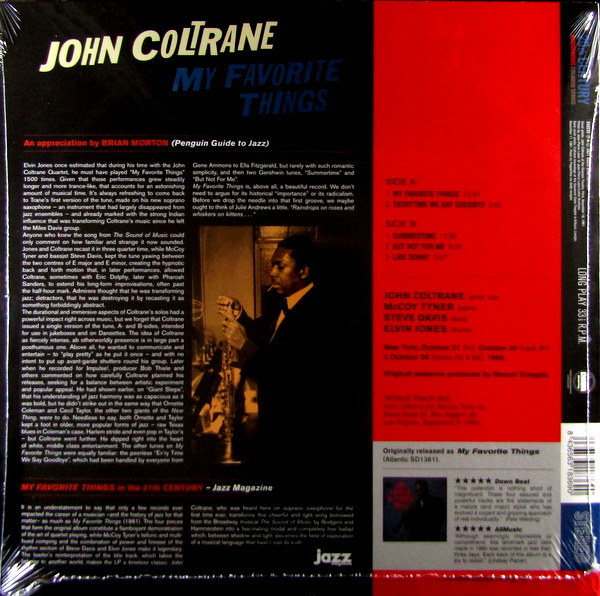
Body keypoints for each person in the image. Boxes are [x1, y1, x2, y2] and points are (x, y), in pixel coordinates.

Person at [218, 235, 355, 481]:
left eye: (280, 266)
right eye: (272, 265)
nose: (271, 272)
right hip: (276, 428)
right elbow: (269, 335)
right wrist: (241, 317)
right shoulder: (285, 301)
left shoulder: (321, 313)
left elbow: (283, 373)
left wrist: (243, 344)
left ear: (303, 271)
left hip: (298, 438)